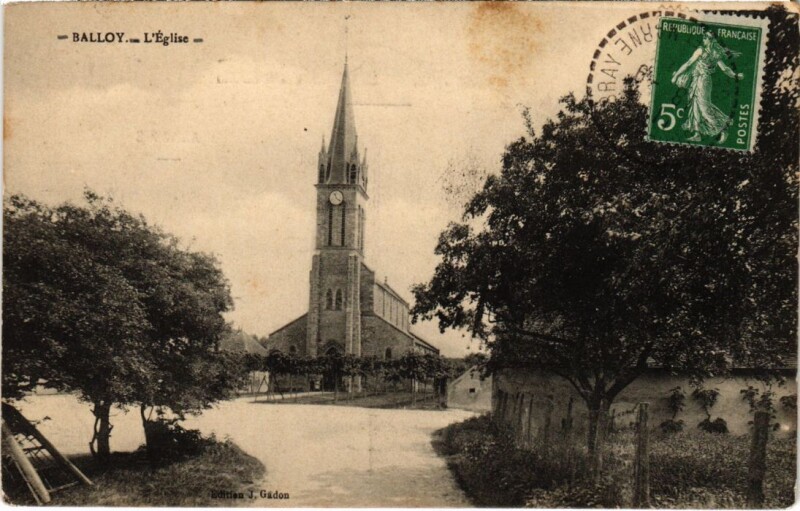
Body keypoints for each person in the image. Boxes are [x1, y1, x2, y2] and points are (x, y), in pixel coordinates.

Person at [671, 31, 744, 143]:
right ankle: (697, 133)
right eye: (704, 37)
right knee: (695, 106)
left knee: (704, 107)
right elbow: (688, 63)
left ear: (711, 40)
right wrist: (676, 75)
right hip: (696, 80)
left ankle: (723, 129)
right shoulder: (702, 50)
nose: (703, 39)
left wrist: (735, 76)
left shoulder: (715, 53)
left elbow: (724, 69)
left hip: (704, 81)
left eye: (706, 37)